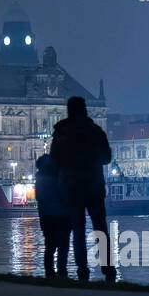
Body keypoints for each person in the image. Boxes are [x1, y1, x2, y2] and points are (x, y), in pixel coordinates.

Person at [49, 95, 114, 282]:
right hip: (94, 185)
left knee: (78, 230)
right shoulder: (95, 130)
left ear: (69, 110)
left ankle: (82, 271)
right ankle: (108, 270)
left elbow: (54, 161)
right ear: (85, 109)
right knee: (100, 229)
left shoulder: (61, 132)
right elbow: (106, 158)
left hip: (71, 187)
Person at [34, 153, 70, 279]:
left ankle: (49, 272)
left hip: (46, 217)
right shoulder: (58, 177)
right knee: (63, 246)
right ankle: (62, 272)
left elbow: (40, 199)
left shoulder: (39, 179)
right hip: (61, 215)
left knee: (50, 246)